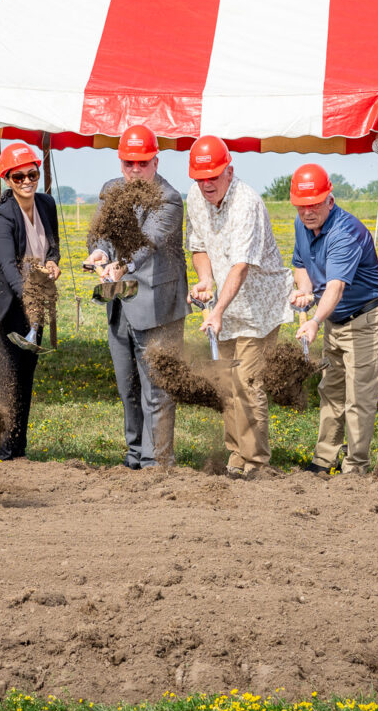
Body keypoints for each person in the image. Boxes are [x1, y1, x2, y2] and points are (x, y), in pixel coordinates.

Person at [185, 135, 291, 479]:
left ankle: (256, 462)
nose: (206, 185)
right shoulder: (195, 198)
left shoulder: (247, 202)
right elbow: (198, 246)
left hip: (258, 306)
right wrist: (205, 281)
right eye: (200, 179)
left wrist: (215, 310)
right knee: (226, 381)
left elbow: (241, 265)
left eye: (213, 177)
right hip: (226, 304)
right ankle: (236, 455)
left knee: (248, 381)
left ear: (229, 170)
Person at [86, 124, 188, 469]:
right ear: (120, 163)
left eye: (142, 163)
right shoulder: (110, 190)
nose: (135, 170)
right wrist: (99, 253)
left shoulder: (170, 199)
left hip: (159, 307)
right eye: (128, 162)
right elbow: (102, 235)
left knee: (157, 389)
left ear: (156, 162)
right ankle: (134, 455)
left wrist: (121, 265)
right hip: (120, 306)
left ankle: (157, 462)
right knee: (127, 386)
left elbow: (147, 242)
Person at [290, 164, 378, 476]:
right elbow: (299, 263)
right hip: (335, 320)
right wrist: (305, 291)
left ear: (330, 200)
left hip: (368, 319)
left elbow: (336, 286)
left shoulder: (344, 232)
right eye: (301, 206)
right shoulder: (301, 224)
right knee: (332, 390)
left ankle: (355, 467)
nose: (307, 212)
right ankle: (324, 459)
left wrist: (314, 321)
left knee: (358, 397)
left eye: (314, 205)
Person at [0, 142, 60, 460]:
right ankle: (0, 453)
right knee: (4, 380)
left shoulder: (47, 204)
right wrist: (26, 296)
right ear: (7, 179)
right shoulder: (2, 216)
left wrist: (52, 261)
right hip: (0, 308)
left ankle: (17, 450)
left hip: (33, 304)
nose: (27, 181)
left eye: (32, 174)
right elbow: (8, 264)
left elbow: (52, 246)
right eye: (18, 176)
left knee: (24, 377)